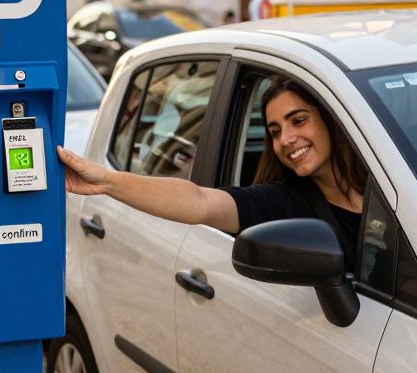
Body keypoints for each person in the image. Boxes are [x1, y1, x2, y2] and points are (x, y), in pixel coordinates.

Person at [57, 77, 366, 268]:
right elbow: (199, 201)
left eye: (298, 120)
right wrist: (107, 181)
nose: (285, 139)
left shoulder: (385, 180)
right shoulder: (284, 202)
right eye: (274, 131)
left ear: (330, 119)